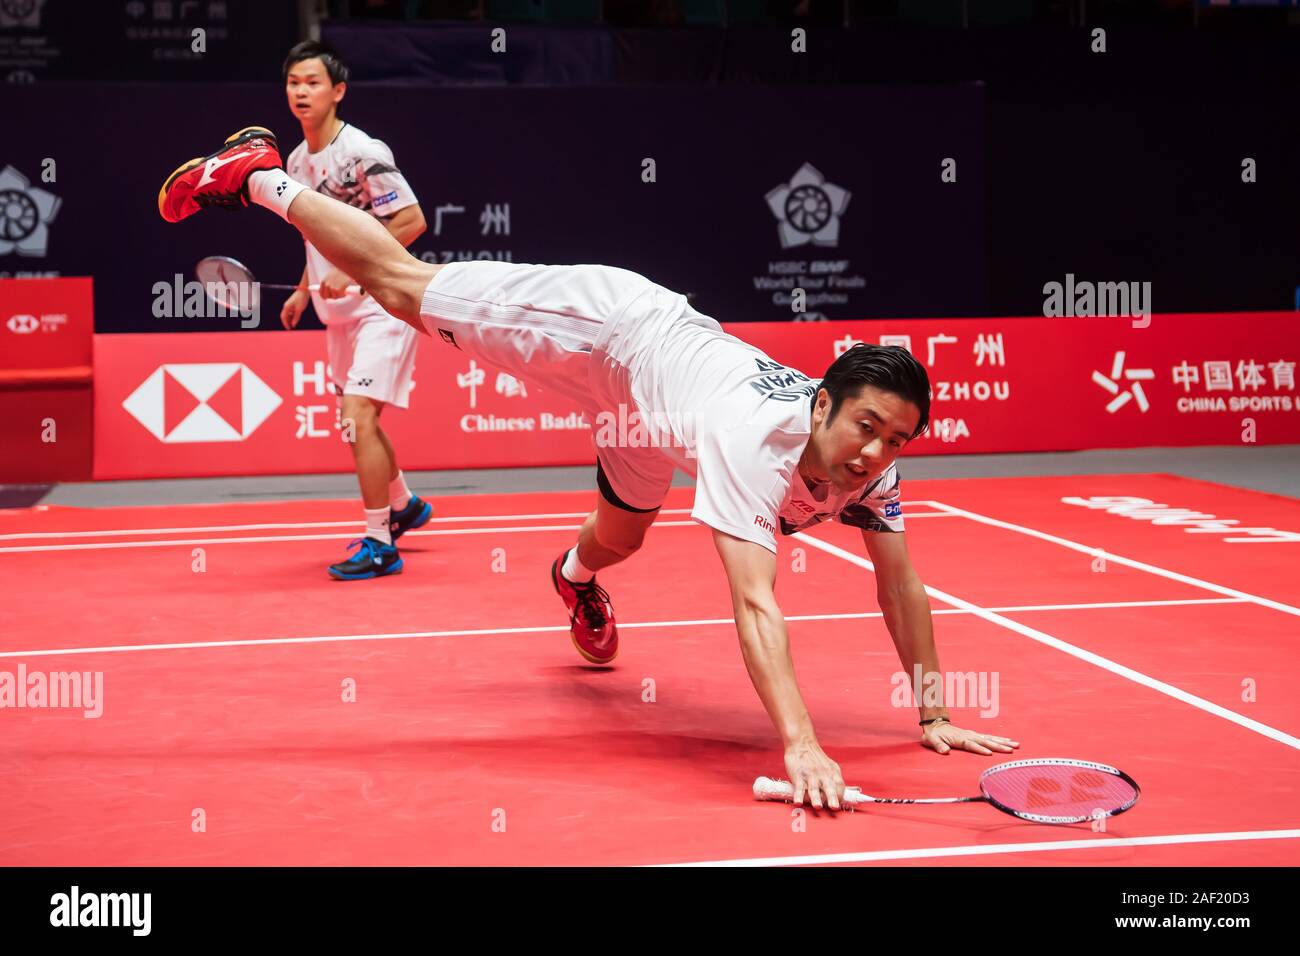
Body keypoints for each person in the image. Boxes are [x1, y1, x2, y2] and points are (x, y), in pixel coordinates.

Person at [159, 127, 1020, 810]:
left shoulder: (872, 468)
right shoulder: (754, 440)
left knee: (621, 540)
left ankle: (571, 578)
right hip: (609, 330)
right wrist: (800, 741)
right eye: (867, 425)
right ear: (824, 404)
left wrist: (934, 711)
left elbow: (899, 586)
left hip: (653, 411)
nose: (876, 451)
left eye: (897, 439)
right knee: (400, 284)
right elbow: (755, 602)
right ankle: (259, 176)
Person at [280, 41, 432, 580]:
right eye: (295, 82)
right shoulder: (296, 162)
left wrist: (358, 268)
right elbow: (317, 239)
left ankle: (378, 543)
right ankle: (405, 504)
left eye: (313, 82)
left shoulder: (363, 151)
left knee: (358, 417)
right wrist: (305, 287)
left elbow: (412, 220)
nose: (302, 91)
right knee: (357, 427)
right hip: (335, 314)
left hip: (382, 305)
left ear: (337, 91)